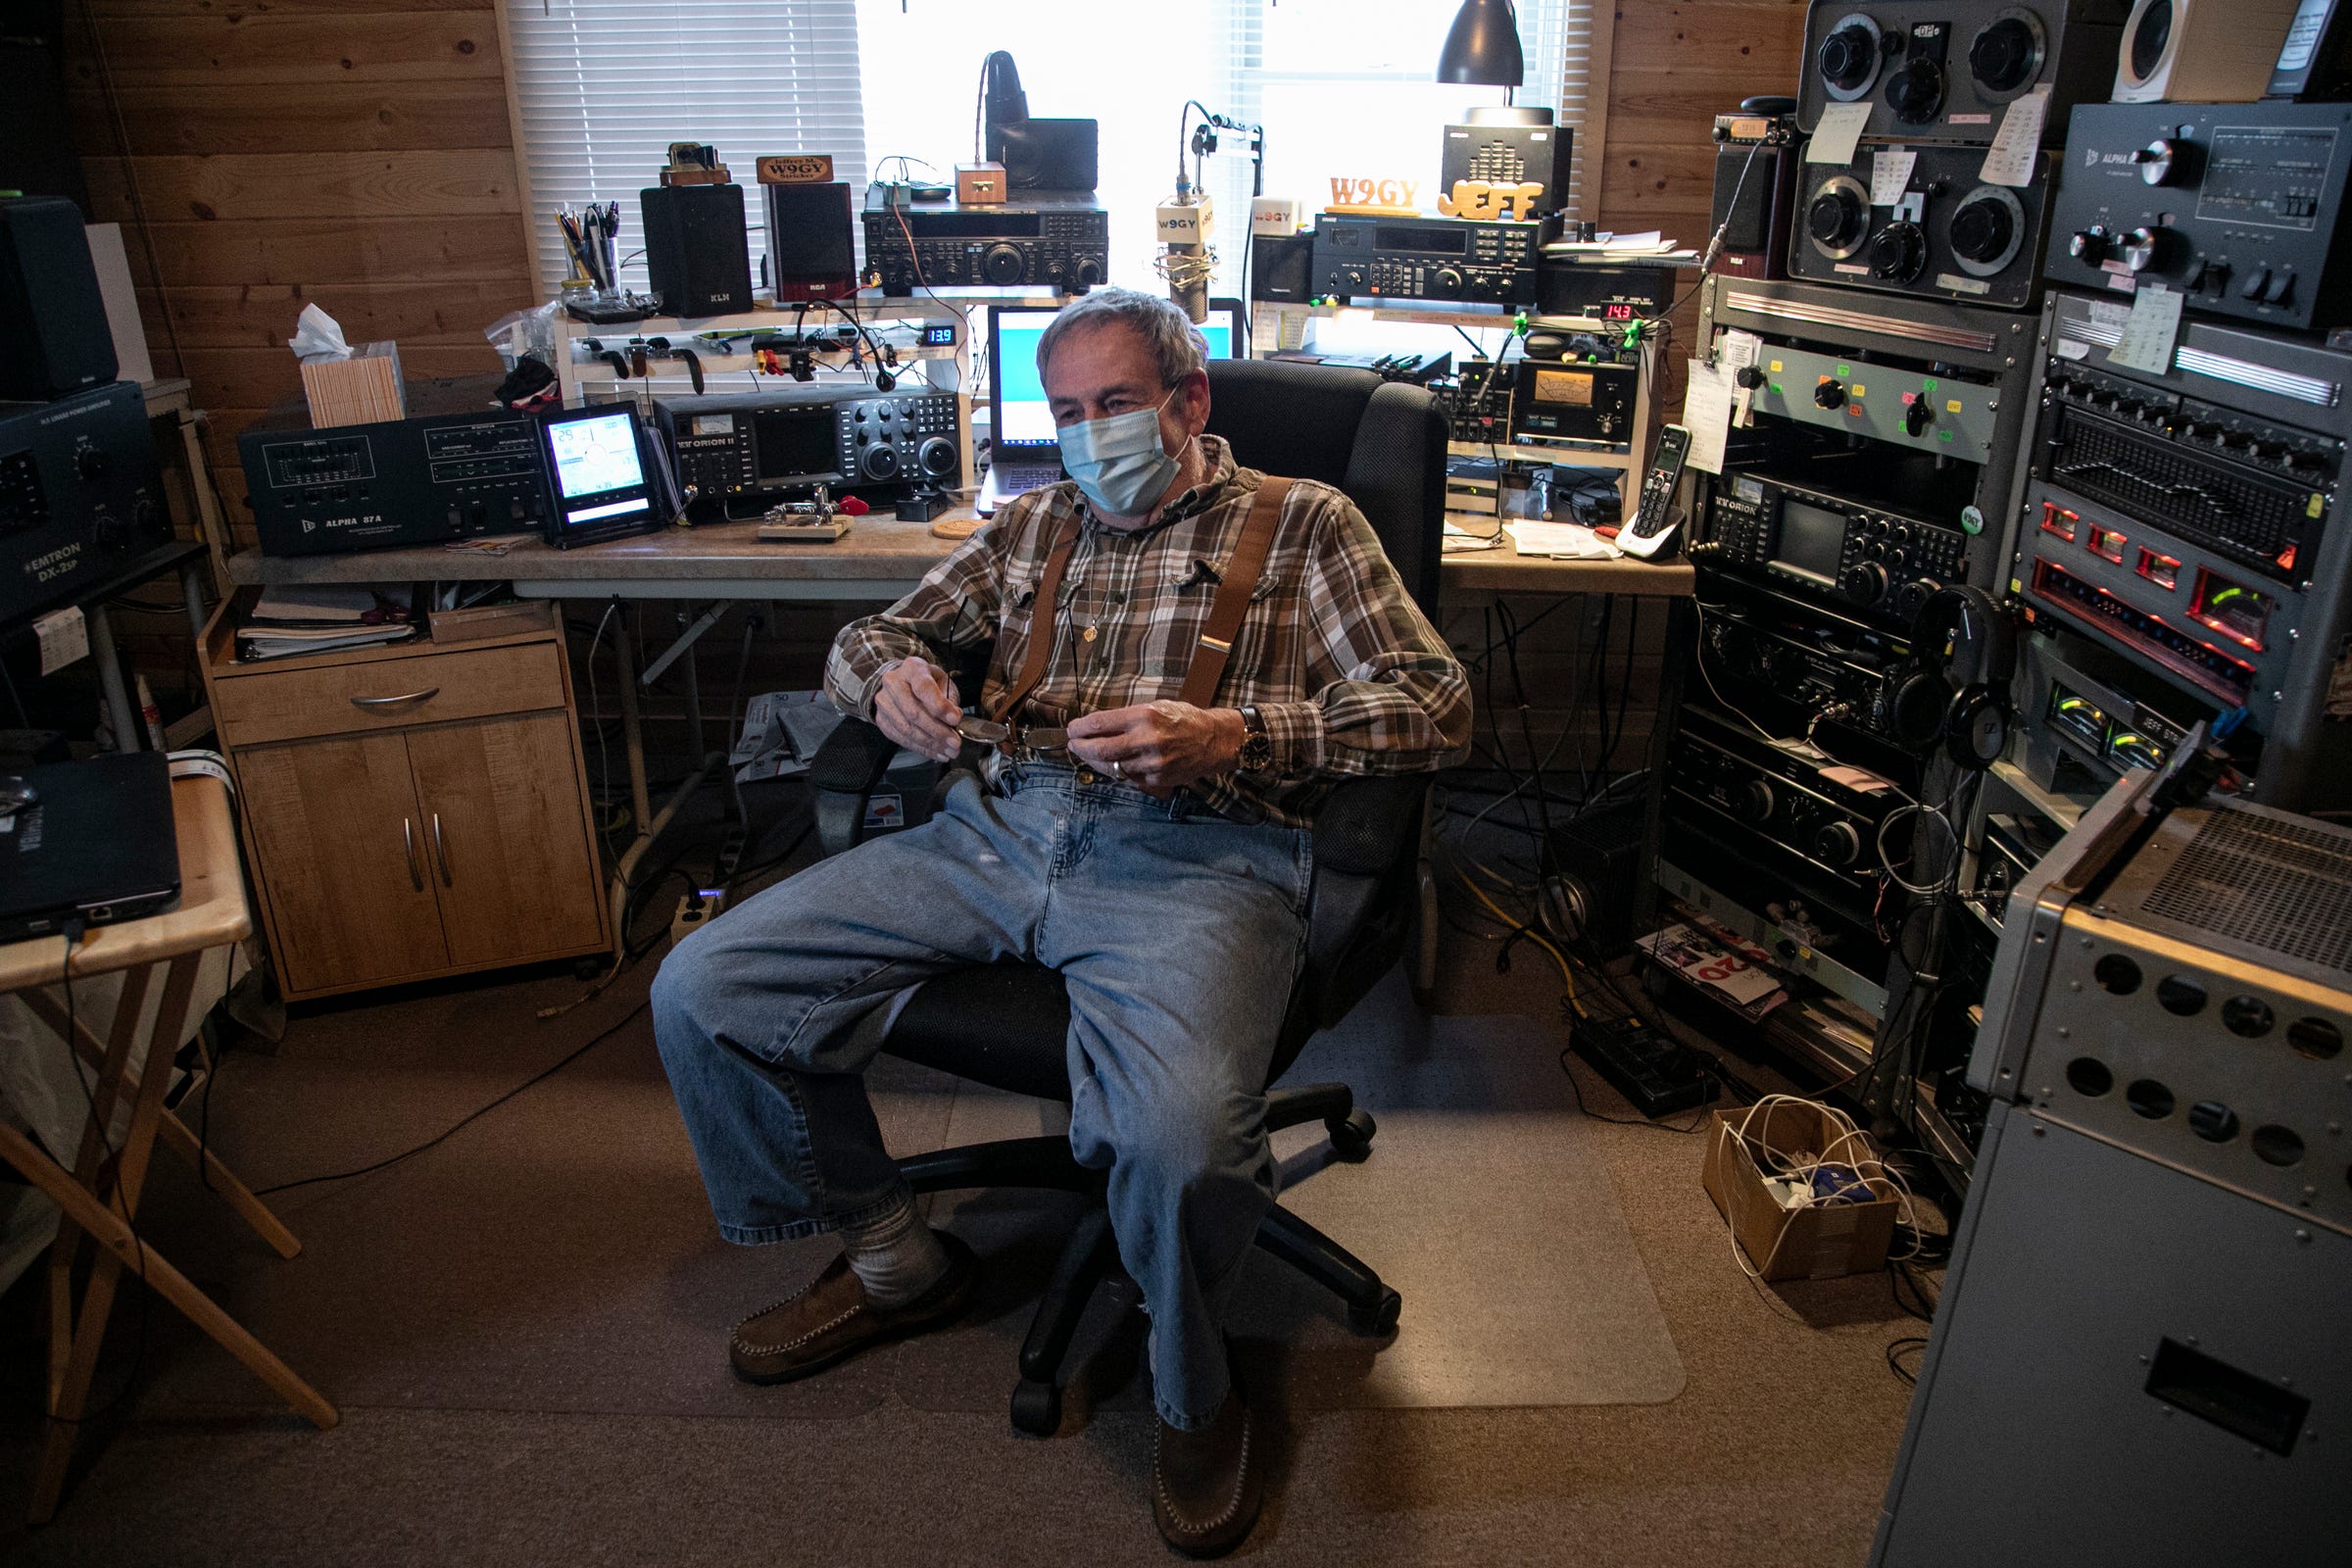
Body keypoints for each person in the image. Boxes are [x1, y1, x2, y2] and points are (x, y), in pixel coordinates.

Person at [653, 288, 1470, 1556]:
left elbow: (1437, 705)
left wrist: (1238, 731)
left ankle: (1196, 1392)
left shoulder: (1307, 524)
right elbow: (872, 633)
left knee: (1181, 1140)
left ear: (1190, 404)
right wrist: (897, 683)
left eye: (1119, 405)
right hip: (996, 831)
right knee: (705, 987)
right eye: (1068, 412)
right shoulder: (1034, 524)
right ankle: (890, 1256)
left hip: (1202, 859)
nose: (1091, 435)